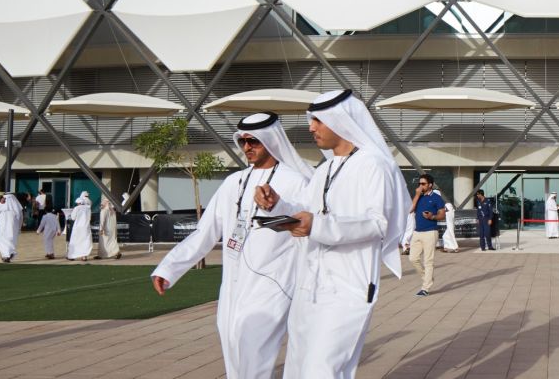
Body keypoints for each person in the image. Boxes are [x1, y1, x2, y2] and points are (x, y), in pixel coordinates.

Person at [254, 89, 407, 379]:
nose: (311, 128)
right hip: (309, 286)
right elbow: (308, 211)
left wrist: (318, 226)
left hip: (348, 287)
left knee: (321, 372)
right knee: (298, 370)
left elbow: (377, 224)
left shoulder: (373, 164)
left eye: (318, 121)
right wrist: (277, 204)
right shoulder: (325, 170)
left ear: (341, 120)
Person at [151, 112, 312, 379]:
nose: (247, 147)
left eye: (254, 141)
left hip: (273, 283)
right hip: (233, 285)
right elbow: (206, 232)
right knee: (234, 350)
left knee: (254, 354)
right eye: (243, 141)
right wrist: (169, 269)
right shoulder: (233, 182)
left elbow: (305, 222)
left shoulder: (295, 181)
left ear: (270, 140)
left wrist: (279, 206)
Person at [408, 173, 446, 297]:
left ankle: (425, 288)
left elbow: (442, 214)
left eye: (423, 184)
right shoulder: (418, 196)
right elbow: (411, 209)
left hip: (430, 232)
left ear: (430, 185)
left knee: (428, 261)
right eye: (419, 183)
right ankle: (427, 279)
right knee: (413, 258)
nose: (420, 186)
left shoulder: (436, 198)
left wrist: (432, 216)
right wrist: (417, 194)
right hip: (417, 232)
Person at [0, 193, 22, 263]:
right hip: (12, 229)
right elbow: (21, 219)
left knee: (2, 241)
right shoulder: (17, 209)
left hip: (4, 229)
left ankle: (6, 256)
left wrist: (0, 203)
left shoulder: (3, 207)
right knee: (10, 241)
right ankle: (9, 253)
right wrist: (19, 228)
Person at [67, 192, 92, 261]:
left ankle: (72, 256)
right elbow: (90, 218)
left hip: (77, 227)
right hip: (86, 227)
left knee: (75, 241)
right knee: (85, 242)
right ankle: (84, 256)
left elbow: (73, 217)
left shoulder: (77, 208)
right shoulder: (88, 209)